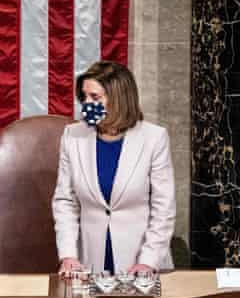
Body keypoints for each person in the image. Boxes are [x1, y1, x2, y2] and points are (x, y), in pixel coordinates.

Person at [53, 61, 175, 275]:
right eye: (84, 97)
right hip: (90, 262)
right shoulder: (73, 136)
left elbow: (163, 208)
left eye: (95, 97)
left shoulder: (154, 138)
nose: (86, 104)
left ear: (118, 99)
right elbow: (65, 201)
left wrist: (148, 261)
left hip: (142, 263)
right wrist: (68, 255)